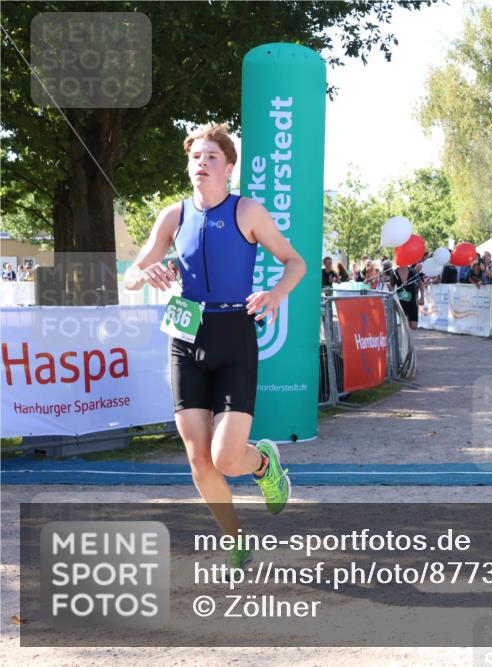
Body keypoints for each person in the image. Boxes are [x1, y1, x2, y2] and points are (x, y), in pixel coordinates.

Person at [123, 123, 305, 575]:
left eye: (210, 157)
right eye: (195, 157)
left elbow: (294, 261)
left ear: (227, 168)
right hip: (185, 336)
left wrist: (276, 294)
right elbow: (130, 273)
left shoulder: (248, 212)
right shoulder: (174, 216)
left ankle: (264, 464)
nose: (200, 163)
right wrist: (144, 275)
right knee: (198, 458)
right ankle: (237, 541)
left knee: (226, 457)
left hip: (234, 334)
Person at [391, 261, 423, 330]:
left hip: (412, 300)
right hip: (400, 300)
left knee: (414, 326)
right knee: (404, 323)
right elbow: (391, 286)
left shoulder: (413, 271)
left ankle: (408, 325)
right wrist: (391, 290)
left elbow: (420, 283)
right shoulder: (395, 273)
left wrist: (422, 297)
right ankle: (406, 339)